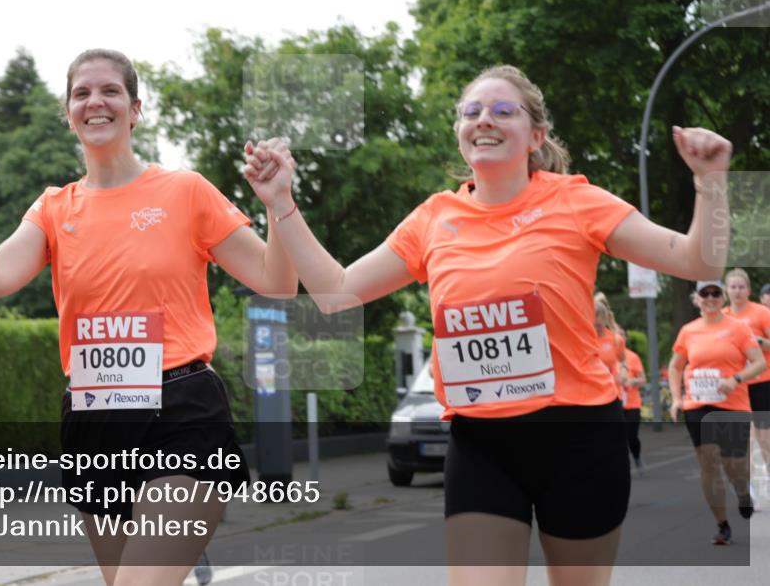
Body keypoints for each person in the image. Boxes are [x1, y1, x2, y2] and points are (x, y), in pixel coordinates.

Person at [244, 64, 732, 585]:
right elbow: (334, 292)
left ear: (536, 135)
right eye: (472, 111)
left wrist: (710, 182)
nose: (485, 120)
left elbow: (696, 262)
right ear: (458, 131)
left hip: (579, 438)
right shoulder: (433, 217)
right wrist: (281, 203)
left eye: (504, 111)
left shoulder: (576, 201)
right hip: (482, 444)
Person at [0, 49, 297, 586]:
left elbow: (277, 281)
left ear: (135, 108)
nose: (95, 102)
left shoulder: (184, 191)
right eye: (82, 93)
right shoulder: (55, 207)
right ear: (68, 110)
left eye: (109, 91)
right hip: (94, 414)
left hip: (181, 410)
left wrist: (277, 203)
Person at [668, 279, 765, 545]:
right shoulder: (688, 331)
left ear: (722, 298)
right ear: (696, 299)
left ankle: (743, 492)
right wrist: (676, 399)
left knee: (735, 466)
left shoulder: (739, 328)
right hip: (698, 405)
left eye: (715, 293)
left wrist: (734, 379)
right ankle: (722, 525)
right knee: (709, 463)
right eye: (704, 293)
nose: (710, 298)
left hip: (732, 404)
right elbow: (676, 366)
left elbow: (759, 362)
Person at [723, 268, 770, 505]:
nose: (737, 291)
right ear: (726, 290)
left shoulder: (761, 313)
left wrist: (759, 342)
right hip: (736, 385)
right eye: (733, 287)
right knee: (743, 438)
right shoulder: (722, 316)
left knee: (764, 438)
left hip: (762, 382)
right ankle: (750, 485)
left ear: (749, 290)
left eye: (742, 287)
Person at [618, 330, 648, 476]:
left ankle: (636, 456)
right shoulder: (605, 353)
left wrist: (633, 381)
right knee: (617, 438)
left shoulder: (632, 357)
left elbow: (643, 380)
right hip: (614, 402)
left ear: (625, 338)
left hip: (632, 403)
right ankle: (622, 466)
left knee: (631, 436)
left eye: (622, 334)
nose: (619, 337)